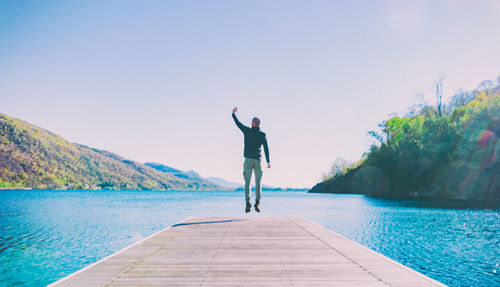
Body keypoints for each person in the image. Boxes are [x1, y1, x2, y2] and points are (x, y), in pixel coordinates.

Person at [232, 107, 270, 213]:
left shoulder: (247, 131)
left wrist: (233, 114)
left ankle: (247, 203)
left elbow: (238, 123)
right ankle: (257, 203)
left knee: (247, 182)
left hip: (248, 160)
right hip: (258, 161)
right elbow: (266, 148)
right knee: (258, 182)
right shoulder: (262, 135)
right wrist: (268, 161)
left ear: (253, 123)